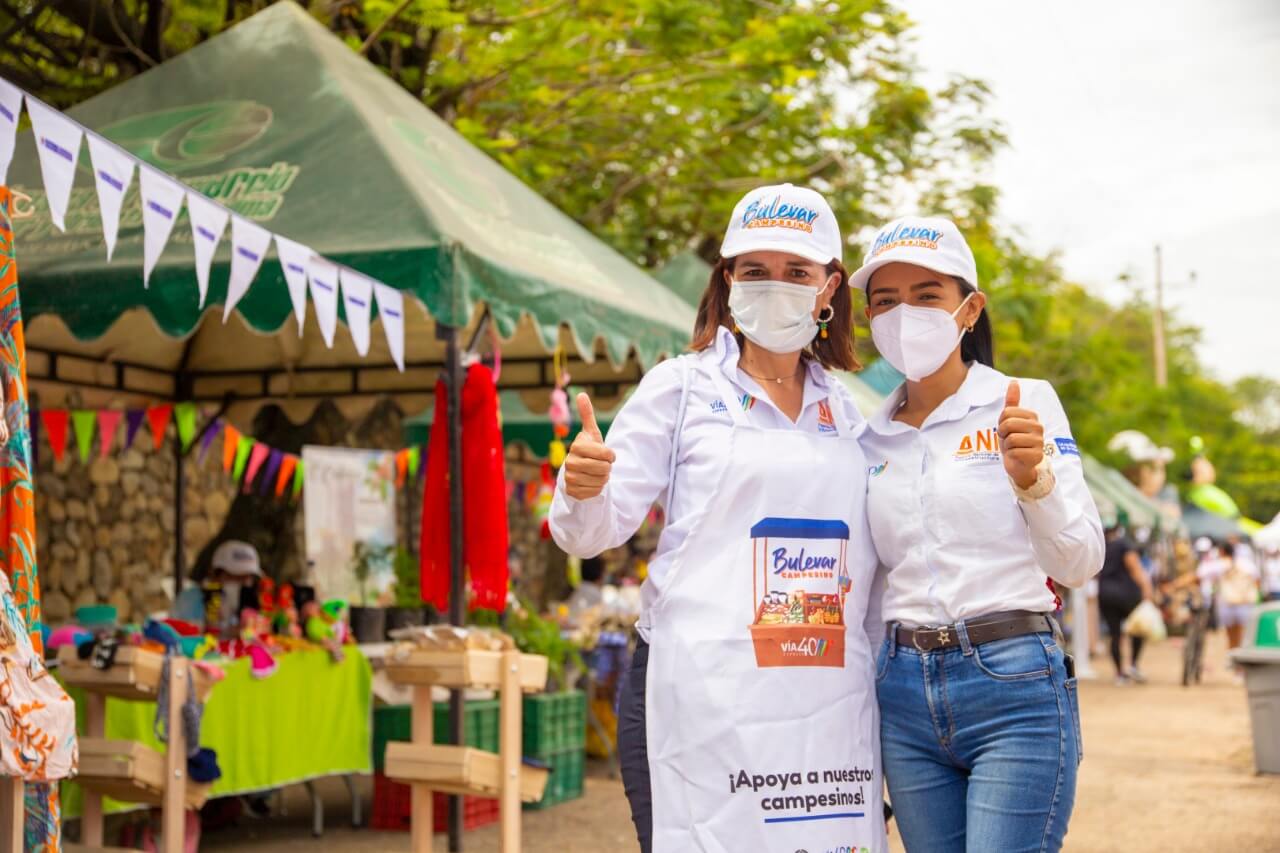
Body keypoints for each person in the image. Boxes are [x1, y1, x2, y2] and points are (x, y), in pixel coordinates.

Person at [550, 184, 886, 853]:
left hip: (823, 706)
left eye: (797, 272)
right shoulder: (681, 388)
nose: (775, 286)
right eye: (755, 271)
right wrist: (583, 484)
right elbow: (590, 532)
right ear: (727, 280)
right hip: (699, 694)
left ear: (830, 287)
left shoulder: (850, 416)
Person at [853, 216, 1104, 852]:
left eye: (926, 295)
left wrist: (1034, 483)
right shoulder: (865, 436)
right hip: (902, 693)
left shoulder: (1024, 404)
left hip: (1012, 681)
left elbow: (1079, 561)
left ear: (969, 308)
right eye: (885, 301)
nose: (903, 313)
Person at [1097, 525, 1155, 684]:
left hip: (1105, 594)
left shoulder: (1102, 547)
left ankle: (1119, 673)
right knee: (1137, 629)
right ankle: (1133, 665)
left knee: (1114, 635)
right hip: (1127, 594)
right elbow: (1135, 568)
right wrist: (1147, 589)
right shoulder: (1125, 545)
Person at [1217, 541, 1261, 677]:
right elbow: (1257, 581)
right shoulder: (1245, 564)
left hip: (1236, 605)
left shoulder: (1222, 564)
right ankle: (1237, 666)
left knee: (1235, 637)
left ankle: (1238, 666)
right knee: (1238, 637)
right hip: (1241, 605)